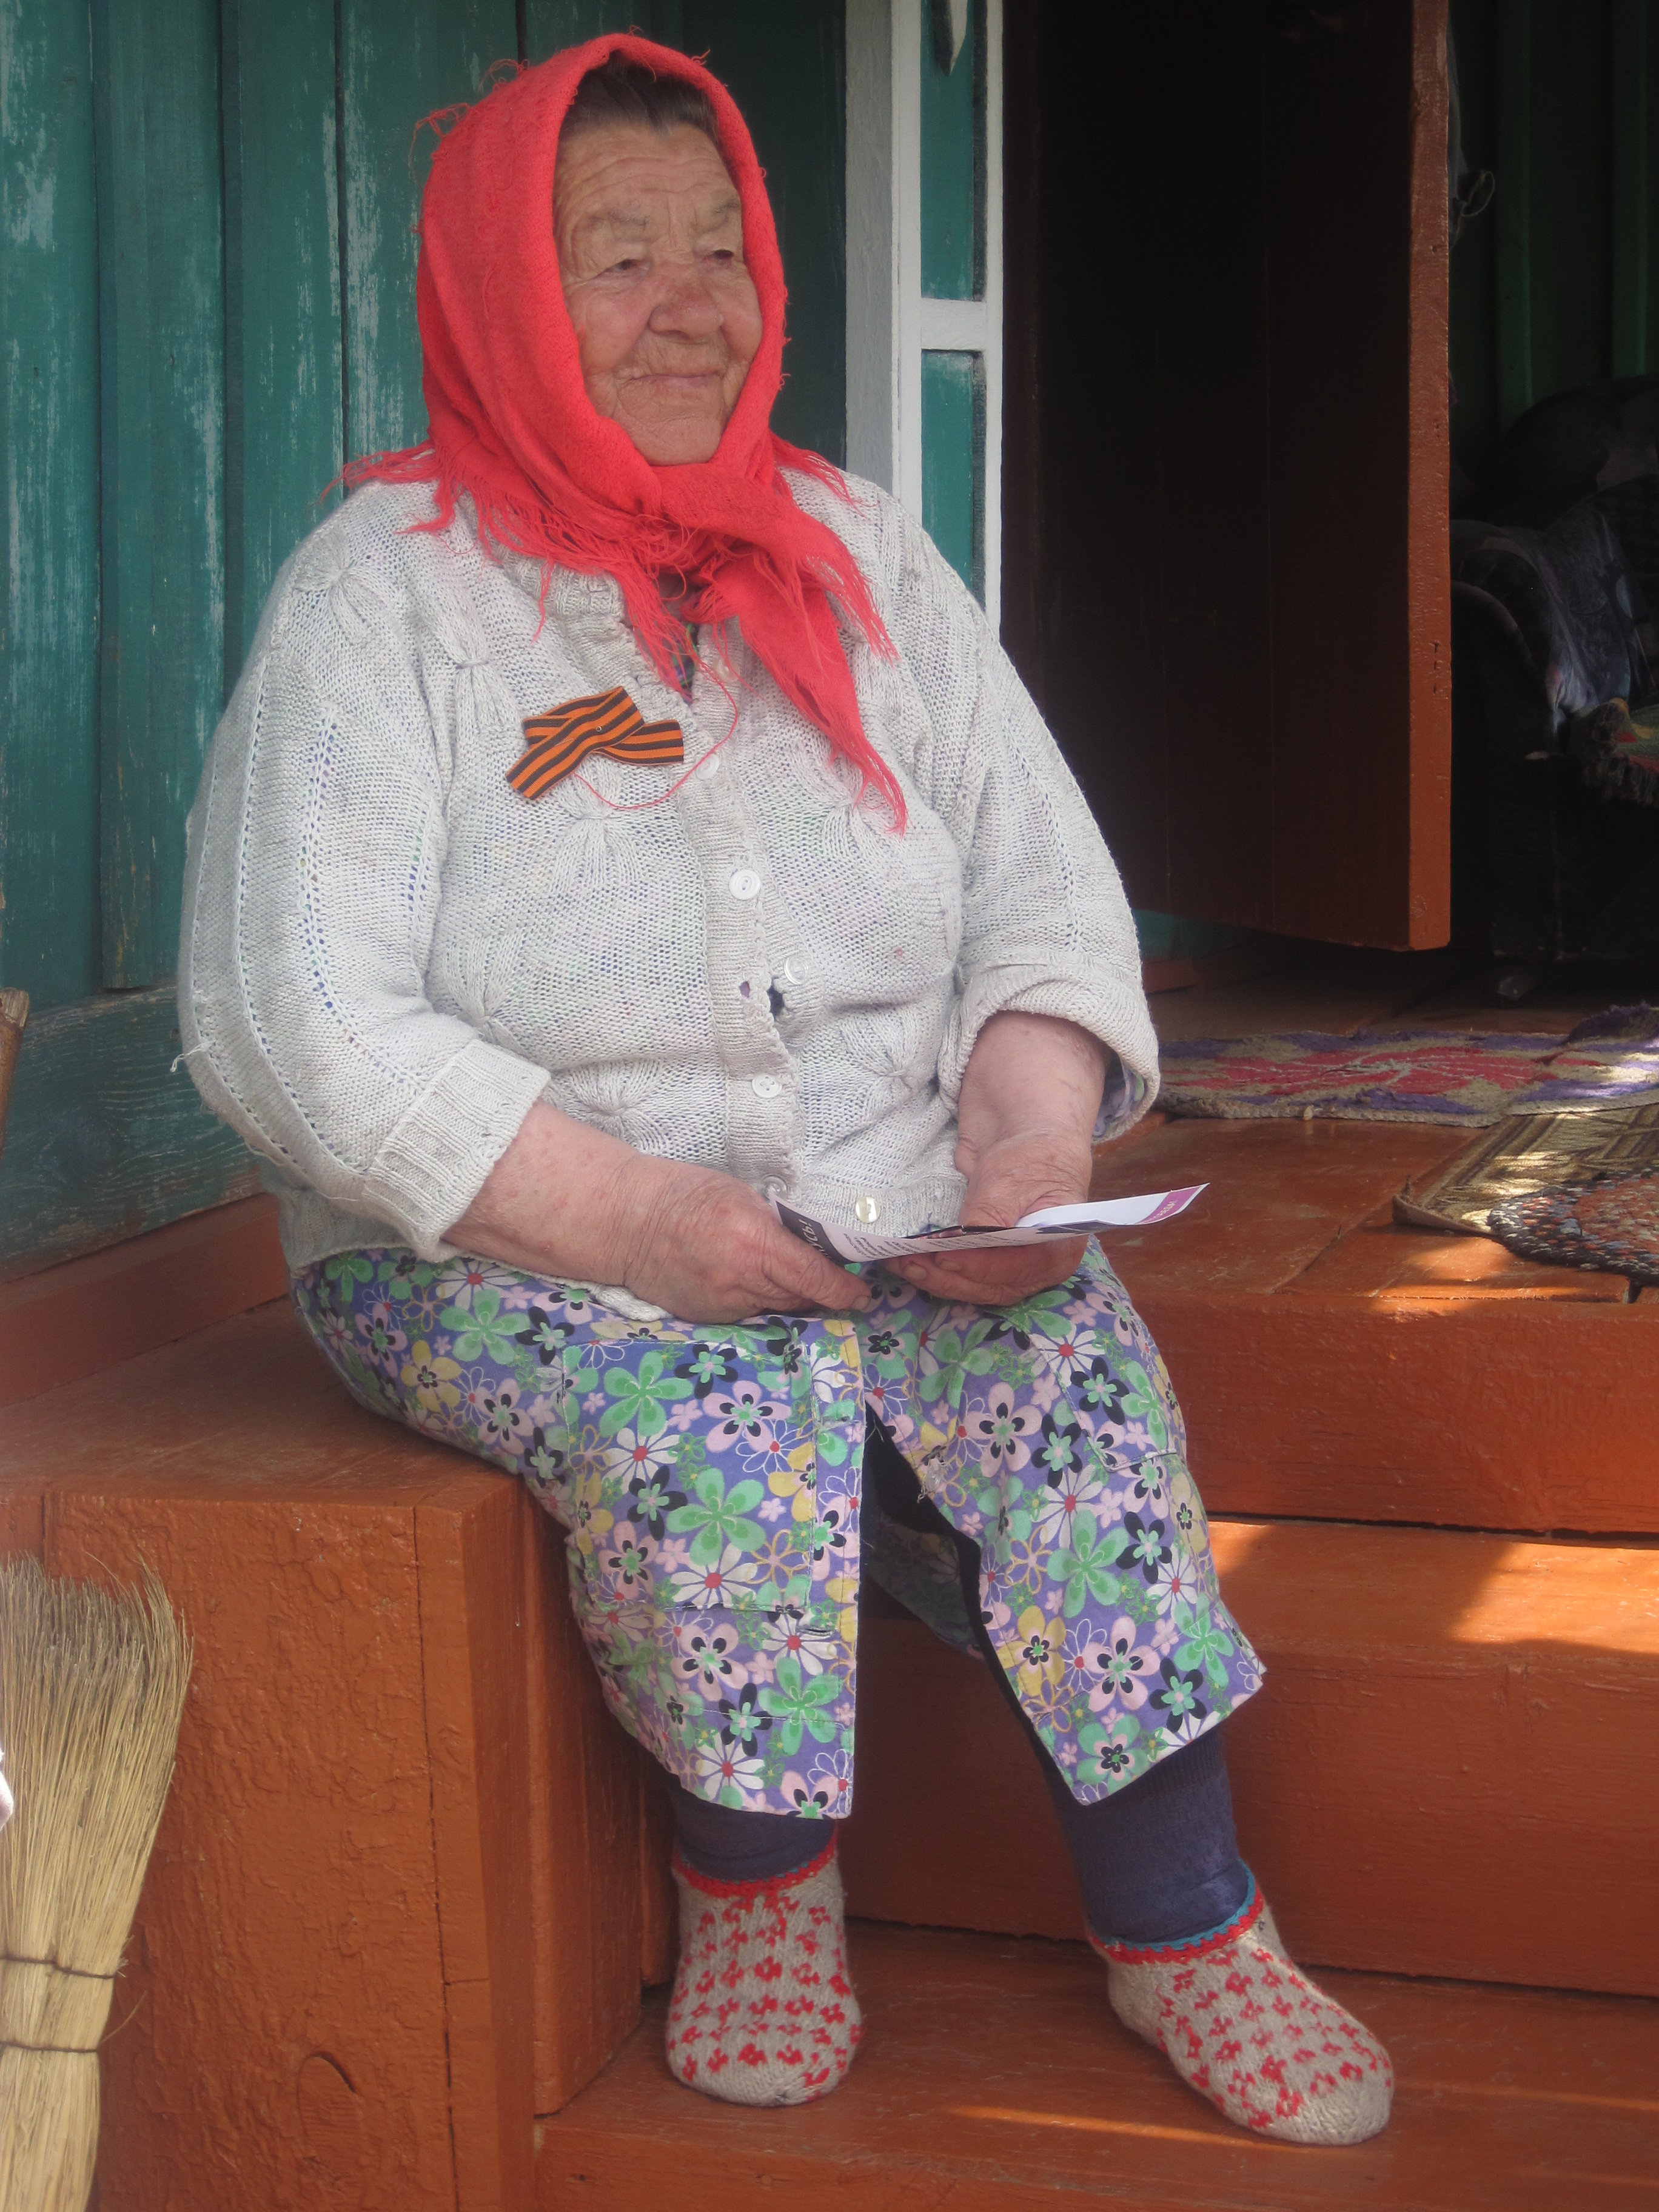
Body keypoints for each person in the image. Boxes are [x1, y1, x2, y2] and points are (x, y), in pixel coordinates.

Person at [179, 35, 1391, 2143]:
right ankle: (757, 1889)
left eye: (720, 250)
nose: (692, 305)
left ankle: (1188, 1923)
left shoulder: (857, 550)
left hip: (887, 1187)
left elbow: (1039, 888)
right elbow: (291, 1016)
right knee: (719, 1413)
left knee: (1067, 1378)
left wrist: (1025, 1146)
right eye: (617, 256)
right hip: (497, 1232)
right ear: (501, 294)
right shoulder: (386, 600)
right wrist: (642, 1220)